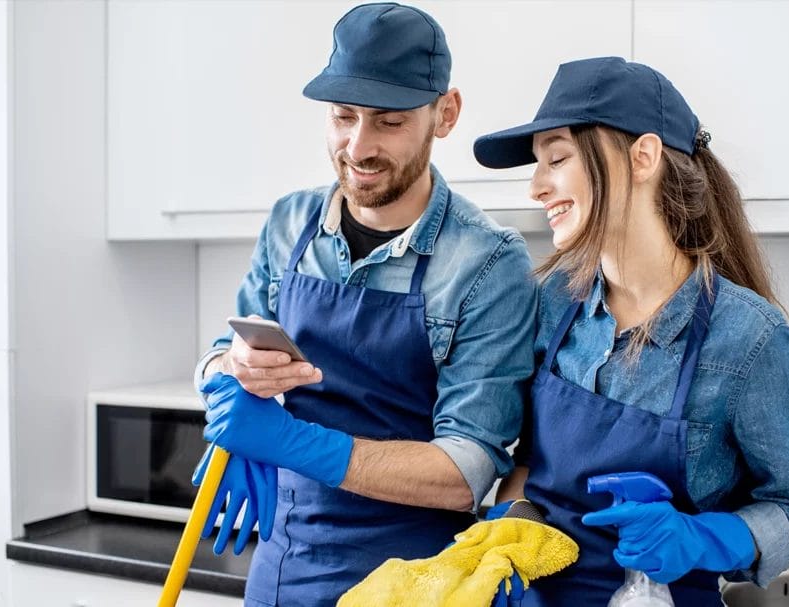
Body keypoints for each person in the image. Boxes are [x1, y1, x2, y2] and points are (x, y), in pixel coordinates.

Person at [192, 4, 537, 606]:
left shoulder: (488, 264)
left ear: (445, 114)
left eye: (389, 121)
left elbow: (467, 472)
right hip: (282, 567)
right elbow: (224, 353)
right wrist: (229, 378)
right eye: (343, 116)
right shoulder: (289, 223)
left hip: (408, 582)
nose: (359, 145)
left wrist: (289, 442)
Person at [470, 57, 789, 606]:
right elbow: (526, 461)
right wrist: (513, 526)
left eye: (557, 159)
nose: (537, 188)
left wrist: (702, 538)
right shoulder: (552, 303)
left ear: (643, 156)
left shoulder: (750, 339)